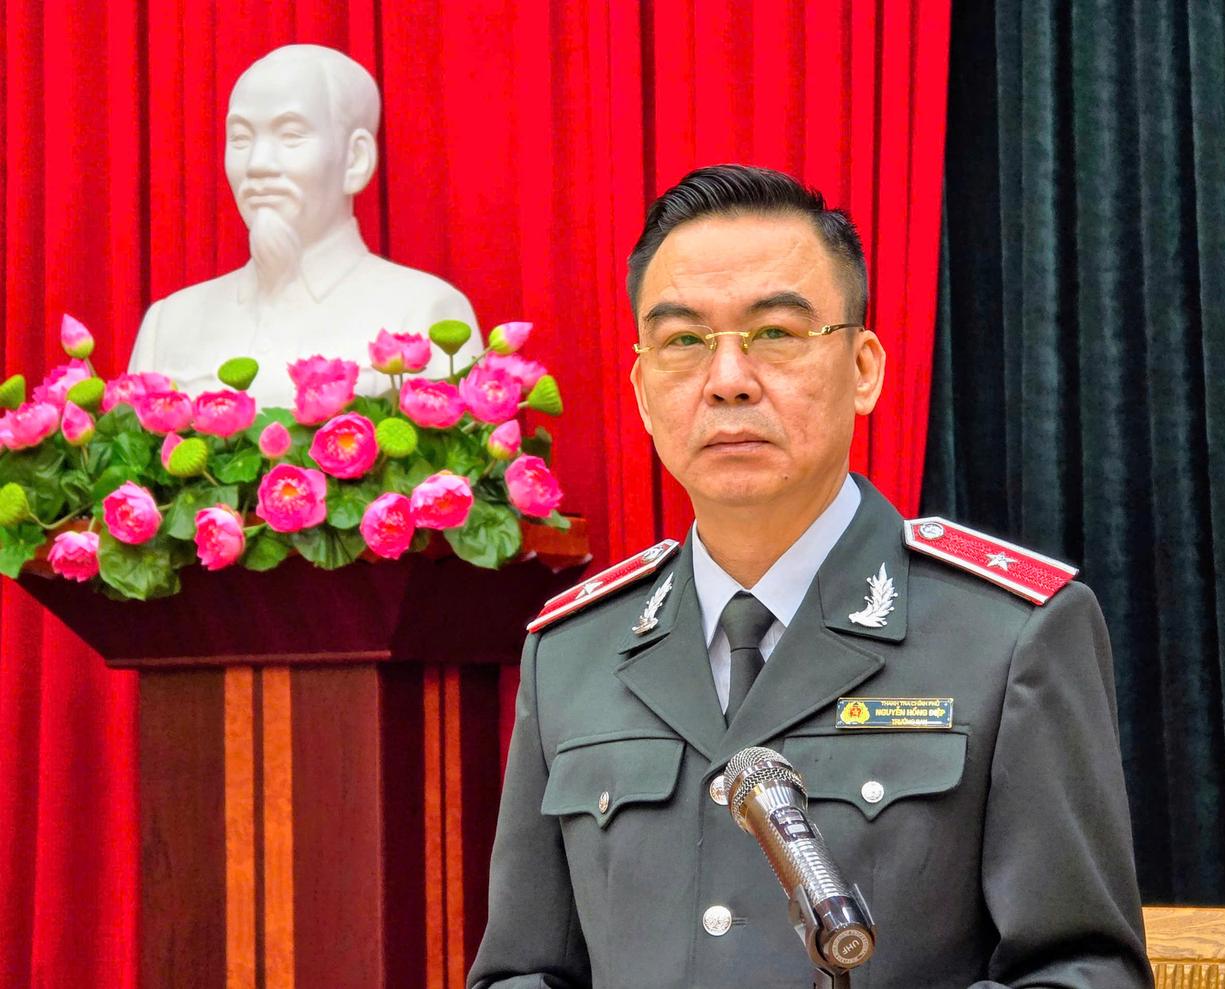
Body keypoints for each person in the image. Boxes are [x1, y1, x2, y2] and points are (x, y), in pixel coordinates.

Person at [467, 165, 1153, 988]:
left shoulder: (1006, 635)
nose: (728, 380)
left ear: (862, 368)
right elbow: (522, 970)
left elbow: (1084, 969)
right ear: (643, 391)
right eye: (683, 341)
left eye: (775, 333)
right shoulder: (573, 650)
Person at [128, 44, 482, 407]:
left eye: (291, 135)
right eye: (241, 138)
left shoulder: (426, 313)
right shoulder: (169, 324)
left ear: (355, 159)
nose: (257, 164)